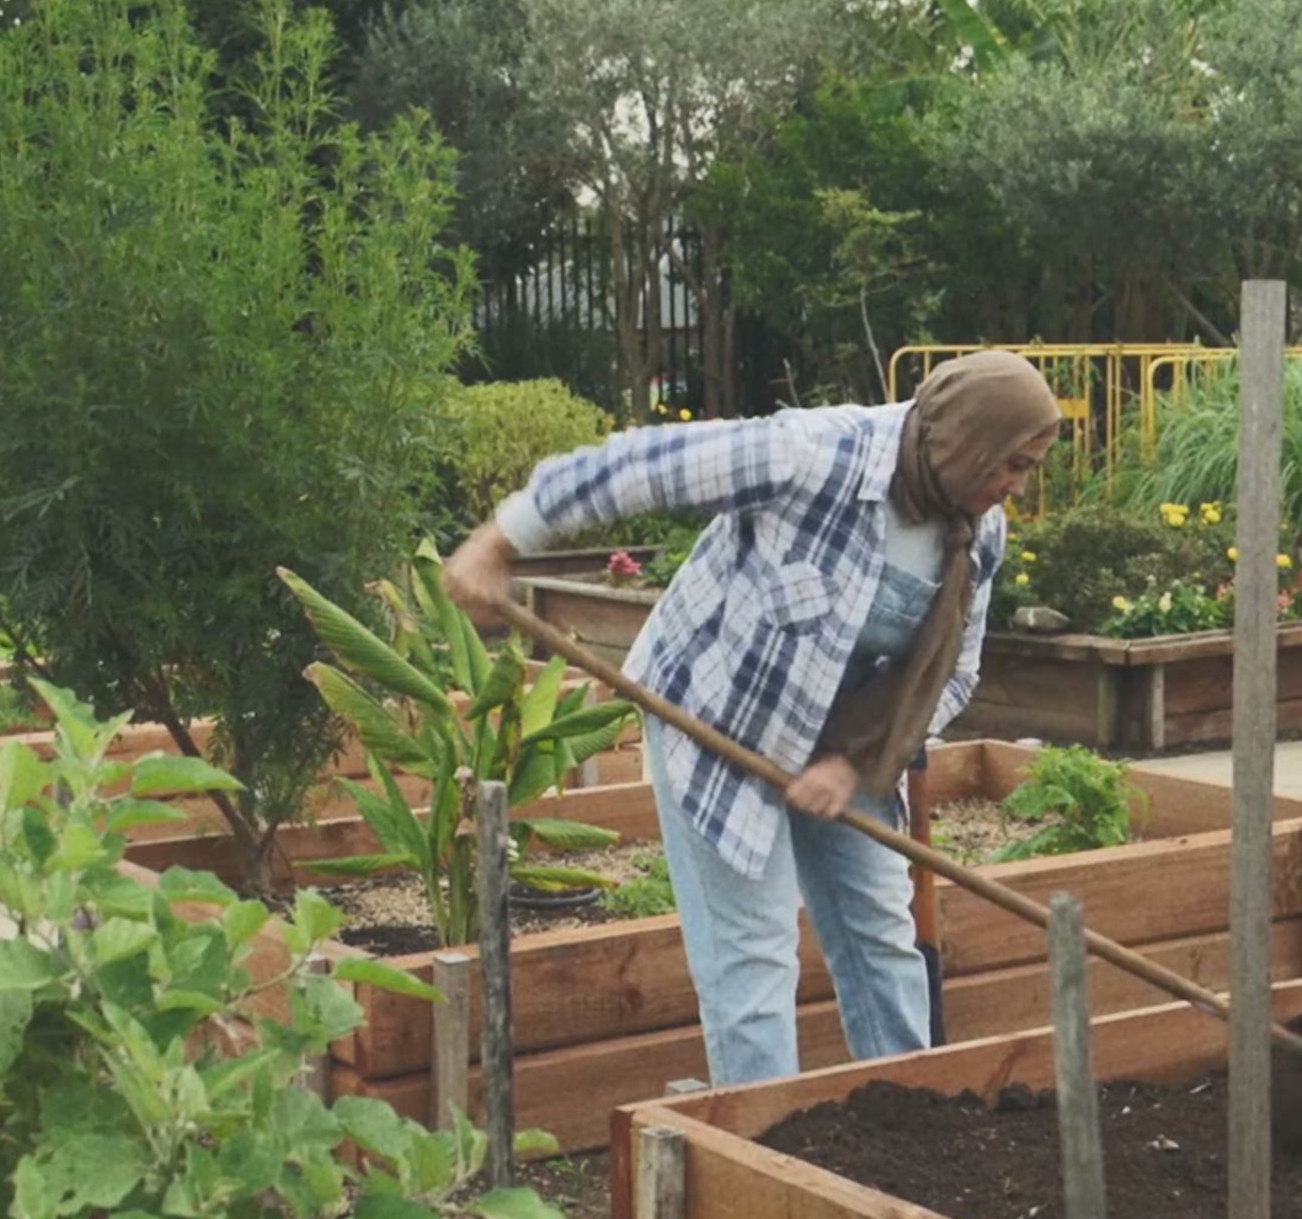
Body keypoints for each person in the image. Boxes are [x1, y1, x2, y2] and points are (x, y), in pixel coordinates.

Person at [443, 353, 1061, 1087]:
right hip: (719, 719)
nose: (1016, 486)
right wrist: (500, 539)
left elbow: (953, 675)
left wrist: (853, 764)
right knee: (756, 952)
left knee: (883, 938)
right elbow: (645, 465)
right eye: (1013, 464)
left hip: (854, 743)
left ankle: (912, 1117)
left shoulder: (976, 534)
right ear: (965, 443)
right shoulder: (809, 457)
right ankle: (764, 1149)